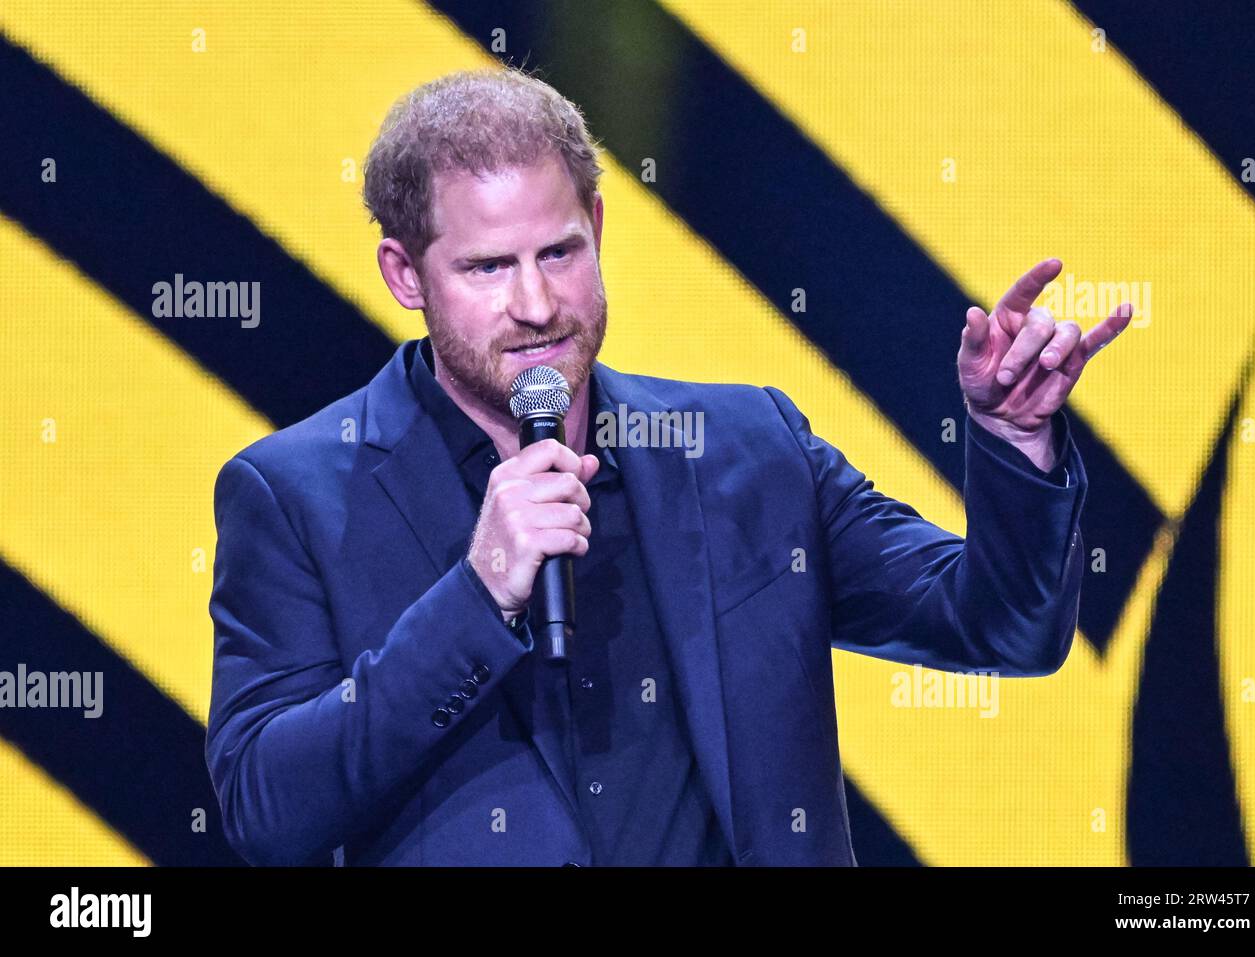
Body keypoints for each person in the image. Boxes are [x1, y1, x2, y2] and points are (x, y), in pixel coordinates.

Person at [204, 66, 1130, 867]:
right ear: (405, 275)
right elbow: (265, 809)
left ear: (599, 227)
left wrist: (1014, 443)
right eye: (488, 269)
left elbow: (1004, 629)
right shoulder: (294, 496)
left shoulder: (748, 448)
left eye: (559, 251)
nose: (535, 303)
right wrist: (477, 597)